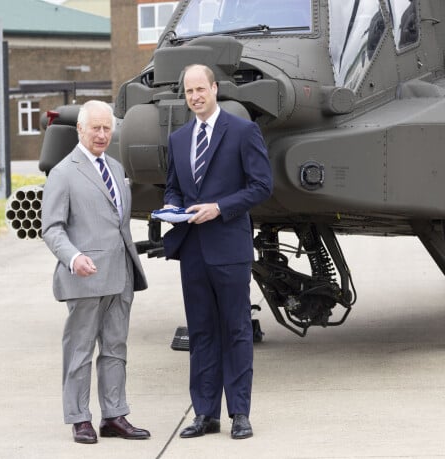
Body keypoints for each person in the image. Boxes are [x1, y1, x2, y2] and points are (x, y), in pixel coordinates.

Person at [162, 64, 273, 440]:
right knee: (202, 333)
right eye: (188, 91)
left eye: (200, 89)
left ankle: (239, 413)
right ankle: (205, 414)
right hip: (192, 249)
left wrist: (220, 207)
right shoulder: (178, 139)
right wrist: (172, 207)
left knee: (237, 330)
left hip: (229, 248)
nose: (195, 97)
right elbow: (174, 188)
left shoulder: (243, 131)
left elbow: (261, 186)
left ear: (214, 88)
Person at [41, 100, 150, 444]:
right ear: (80, 130)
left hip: (121, 275)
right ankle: (79, 418)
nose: (102, 135)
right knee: (80, 351)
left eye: (107, 129)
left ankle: (115, 415)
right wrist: (73, 258)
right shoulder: (63, 173)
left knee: (116, 349)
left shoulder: (116, 168)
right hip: (84, 277)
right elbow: (52, 228)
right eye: (96, 129)